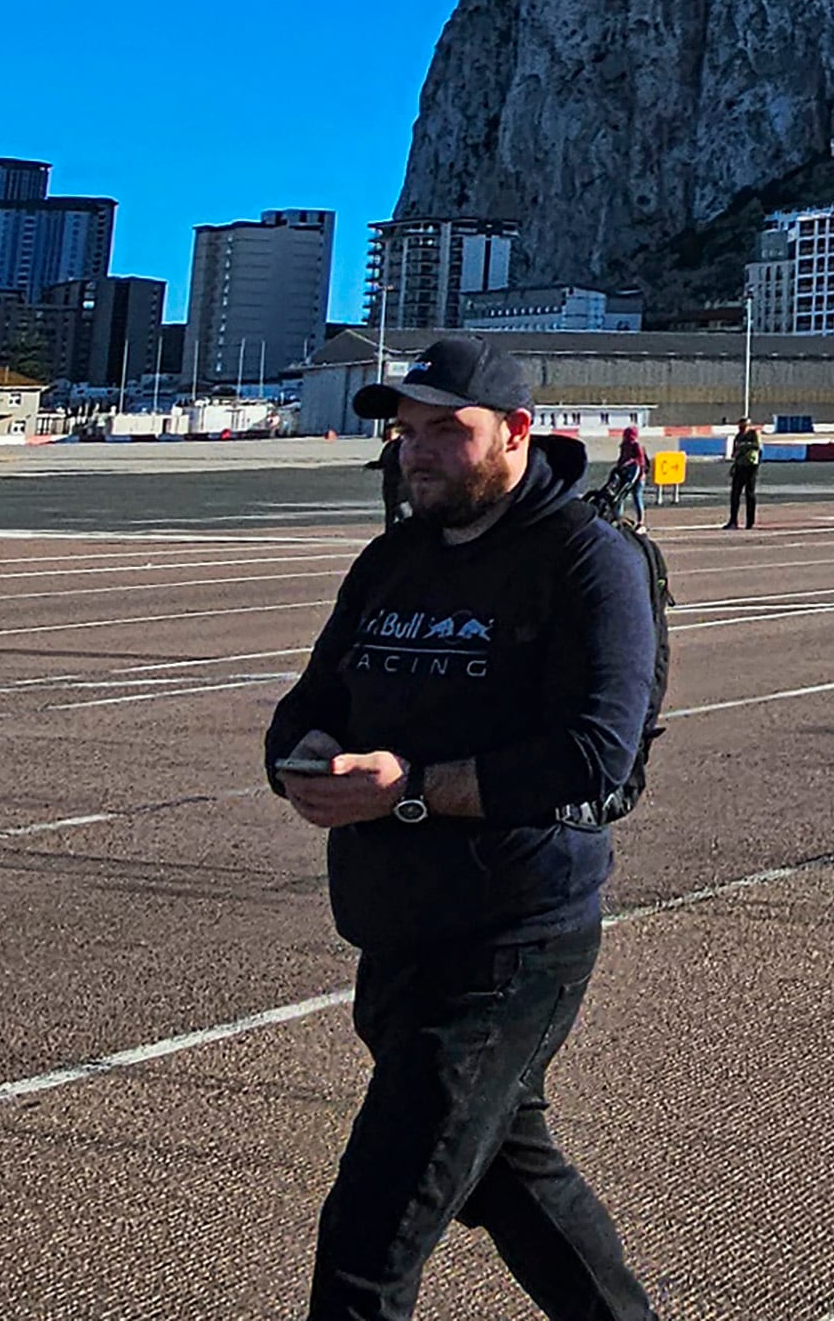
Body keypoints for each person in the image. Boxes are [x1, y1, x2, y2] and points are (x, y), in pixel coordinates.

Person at [264, 333, 663, 1321]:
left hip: (510, 942)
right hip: (395, 935)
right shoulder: (391, 561)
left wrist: (408, 787)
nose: (418, 452)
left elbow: (591, 755)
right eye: (407, 433)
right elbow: (306, 703)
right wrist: (308, 756)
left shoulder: (586, 561)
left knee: (368, 1243)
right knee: (515, 1181)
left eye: (447, 430)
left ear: (516, 433)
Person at [725, 417, 763, 530]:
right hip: (740, 466)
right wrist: (734, 465)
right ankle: (733, 521)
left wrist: (745, 447)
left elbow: (758, 447)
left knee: (749, 493)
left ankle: (750, 521)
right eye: (740, 426)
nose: (742, 428)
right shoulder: (738, 437)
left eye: (744, 426)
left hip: (751, 466)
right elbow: (734, 453)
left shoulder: (754, 434)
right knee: (735, 494)